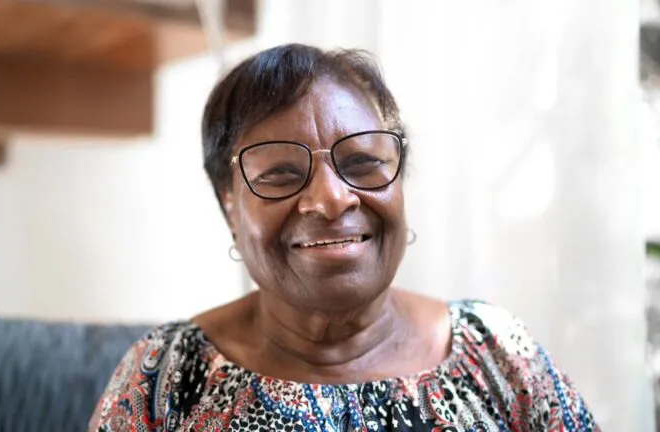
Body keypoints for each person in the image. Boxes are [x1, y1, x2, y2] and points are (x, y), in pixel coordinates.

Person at [89, 44, 599, 432]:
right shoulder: (165, 376)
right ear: (229, 207)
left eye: (362, 164)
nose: (333, 199)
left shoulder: (495, 349)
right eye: (281, 174)